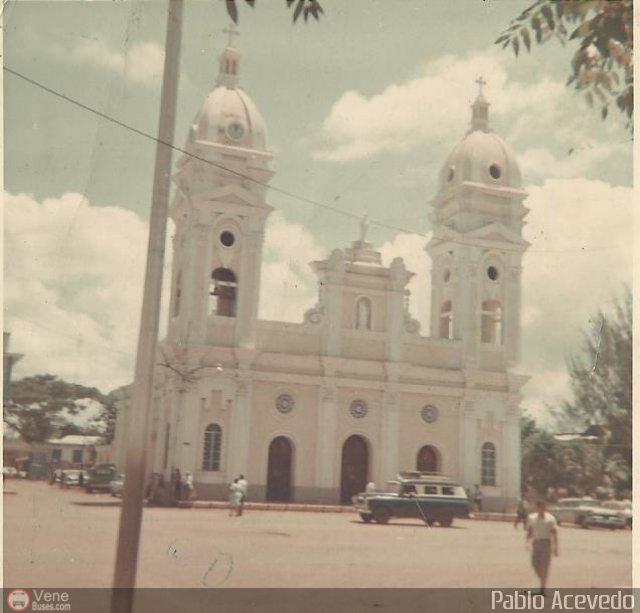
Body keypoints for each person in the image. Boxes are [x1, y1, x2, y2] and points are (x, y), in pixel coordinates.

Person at [526, 500, 559, 596]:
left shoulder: (551, 519)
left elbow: (554, 533)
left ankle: (542, 588)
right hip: (536, 543)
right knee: (534, 563)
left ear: (545, 508)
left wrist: (556, 547)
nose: (542, 509)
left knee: (545, 566)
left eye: (543, 507)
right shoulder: (531, 517)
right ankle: (543, 580)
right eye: (540, 507)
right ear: (537, 508)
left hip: (546, 543)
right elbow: (530, 530)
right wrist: (527, 542)